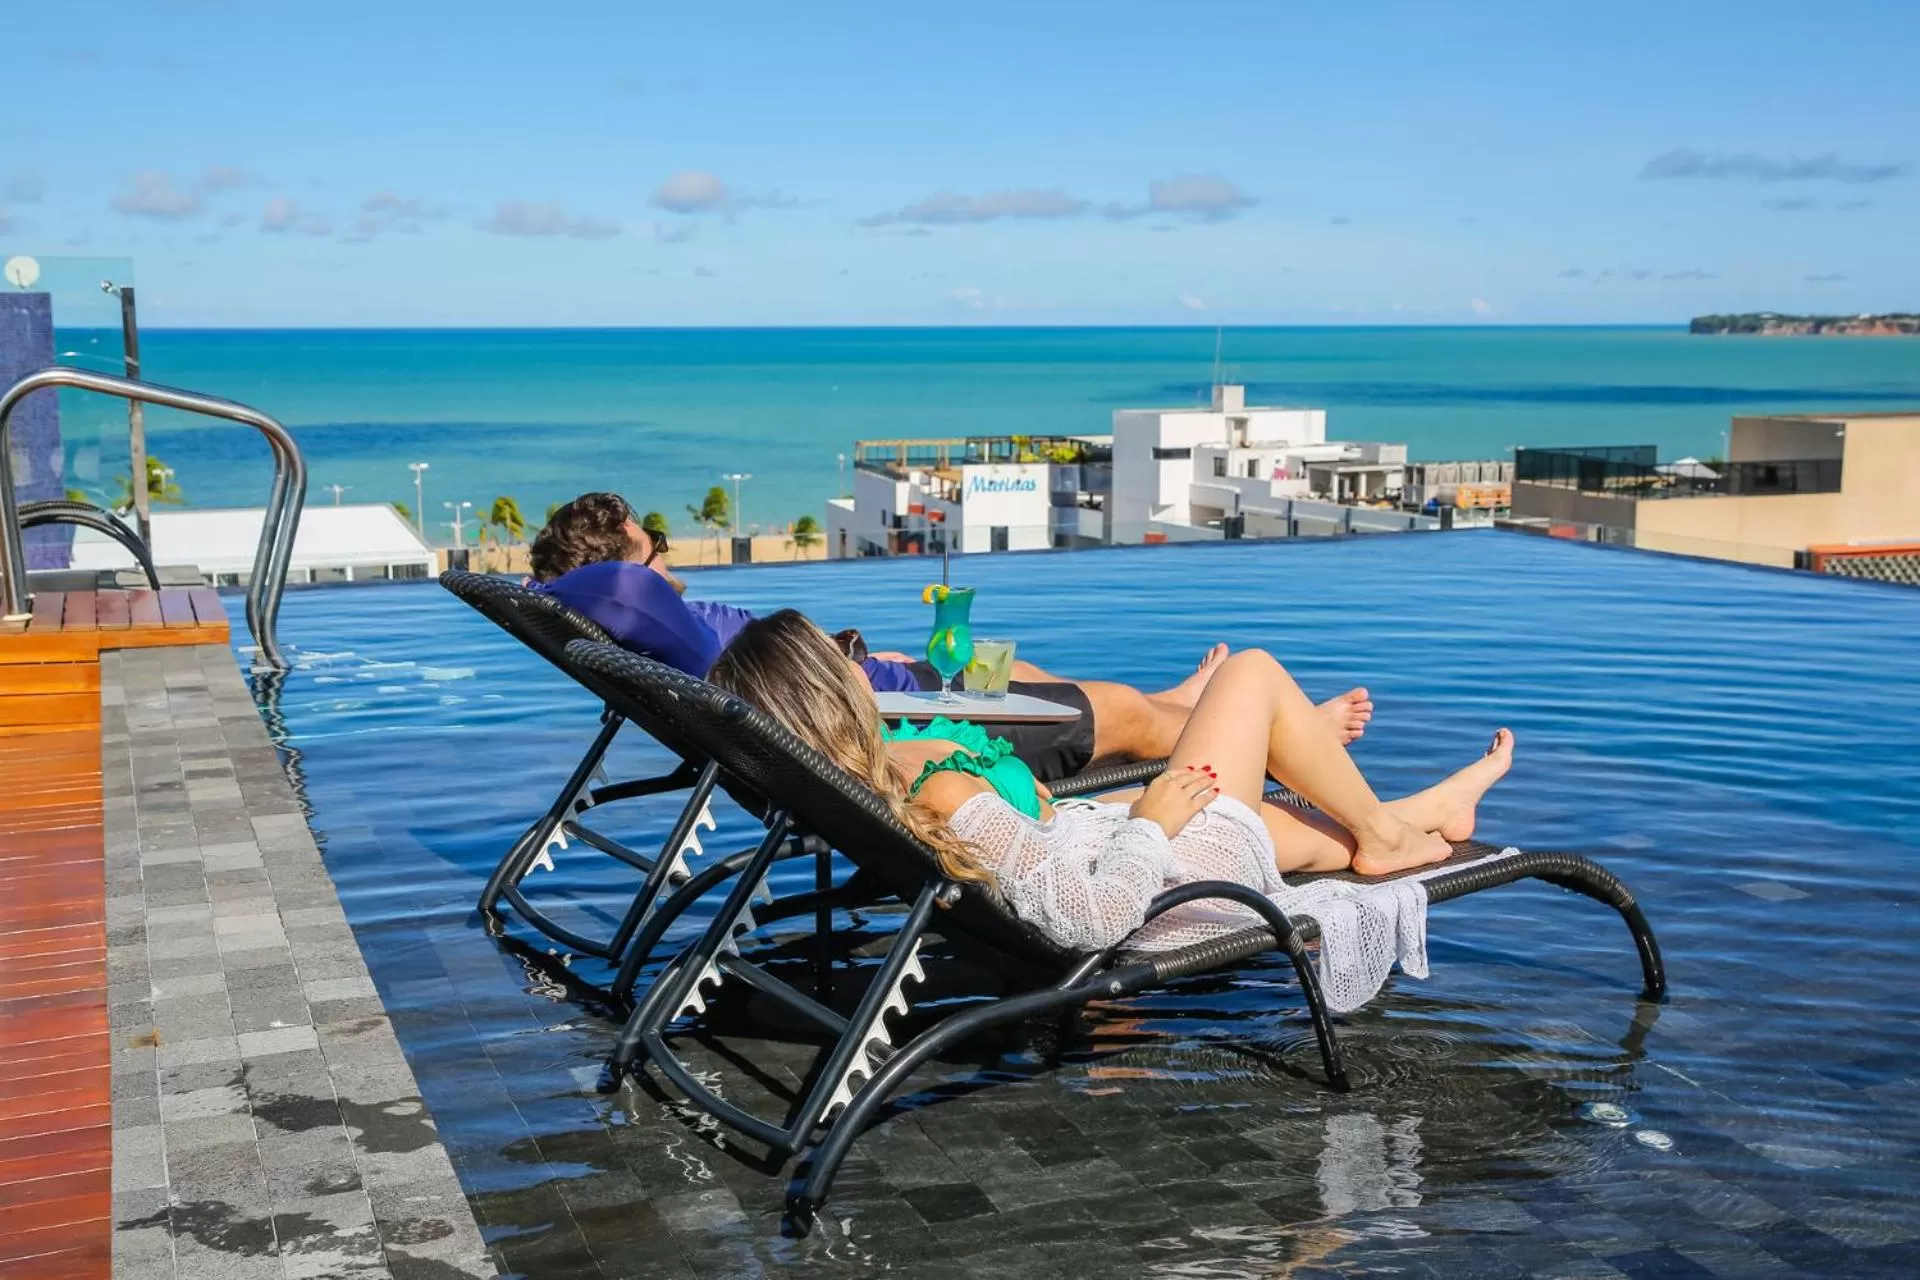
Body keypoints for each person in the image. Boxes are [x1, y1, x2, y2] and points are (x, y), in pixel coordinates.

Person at [708, 610, 1517, 1010]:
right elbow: (1090, 920)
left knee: (1256, 788)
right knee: (1255, 677)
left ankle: (1417, 813)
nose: (863, 661)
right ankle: (1386, 830)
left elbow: (1026, 852)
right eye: (844, 654)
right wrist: (1153, 819)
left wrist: (1137, 814)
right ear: (824, 690)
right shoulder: (936, 786)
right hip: (1161, 881)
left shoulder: (873, 774)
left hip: (1098, 838)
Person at [527, 491, 1375, 781]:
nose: (668, 557)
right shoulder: (644, 608)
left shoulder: (658, 634)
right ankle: (1264, 734)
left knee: (1023, 667)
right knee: (1120, 718)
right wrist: (584, 568)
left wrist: (853, 666)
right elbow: (621, 584)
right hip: (899, 724)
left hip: (862, 692)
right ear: (625, 568)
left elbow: (612, 586)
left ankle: (1183, 704)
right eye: (654, 546)